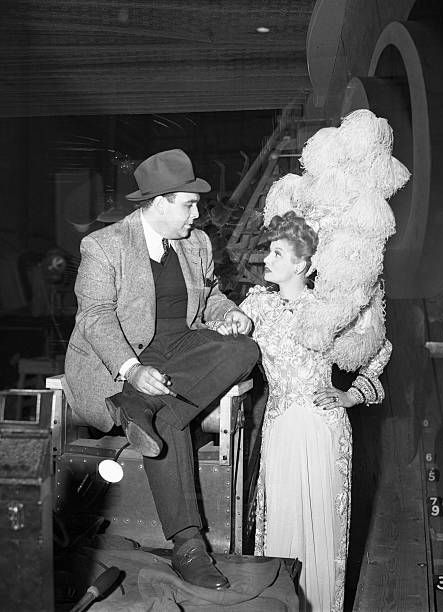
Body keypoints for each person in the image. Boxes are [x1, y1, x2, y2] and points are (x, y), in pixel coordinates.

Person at [214, 110, 410, 610]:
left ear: (303, 263)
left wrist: (351, 393)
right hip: (279, 428)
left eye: (277, 255)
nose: (268, 261)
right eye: (270, 253)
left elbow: (382, 348)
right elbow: (223, 331)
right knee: (280, 530)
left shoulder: (333, 306)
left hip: (324, 430)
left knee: (324, 532)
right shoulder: (257, 305)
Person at [64, 148, 259, 590]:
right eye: (189, 204)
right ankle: (189, 547)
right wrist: (132, 371)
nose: (197, 213)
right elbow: (95, 317)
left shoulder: (198, 243)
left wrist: (230, 314)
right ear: (161, 201)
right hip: (120, 363)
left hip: (180, 354)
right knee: (173, 424)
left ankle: (144, 408)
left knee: (244, 349)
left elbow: (208, 299)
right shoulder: (104, 245)